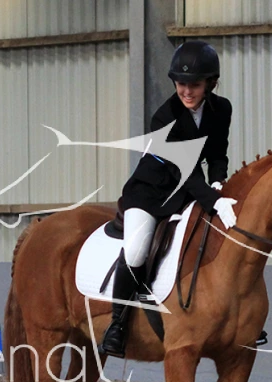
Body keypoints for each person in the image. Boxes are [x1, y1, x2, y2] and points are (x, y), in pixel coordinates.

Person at [99, 40, 237, 358]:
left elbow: (218, 153)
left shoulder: (222, 109)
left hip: (191, 190)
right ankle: (117, 324)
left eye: (194, 85)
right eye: (181, 84)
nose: (186, 91)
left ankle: (234, 318)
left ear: (210, 83)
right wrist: (212, 199)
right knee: (137, 250)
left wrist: (219, 182)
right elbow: (182, 170)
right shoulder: (164, 118)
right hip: (151, 192)